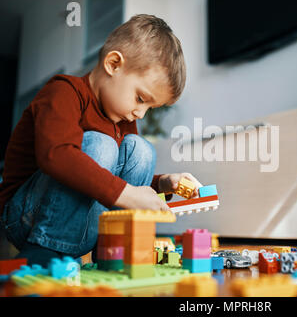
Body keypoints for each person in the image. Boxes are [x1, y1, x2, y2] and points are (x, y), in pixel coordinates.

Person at [0, 14, 201, 266]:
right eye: (141, 99)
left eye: (151, 108)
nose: (141, 113)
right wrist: (127, 195)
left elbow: (110, 178)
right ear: (114, 64)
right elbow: (58, 155)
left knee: (141, 150)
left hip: (86, 225)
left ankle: (113, 250)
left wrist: (162, 183)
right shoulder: (64, 91)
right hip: (27, 220)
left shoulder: (125, 118)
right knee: (101, 144)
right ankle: (45, 252)